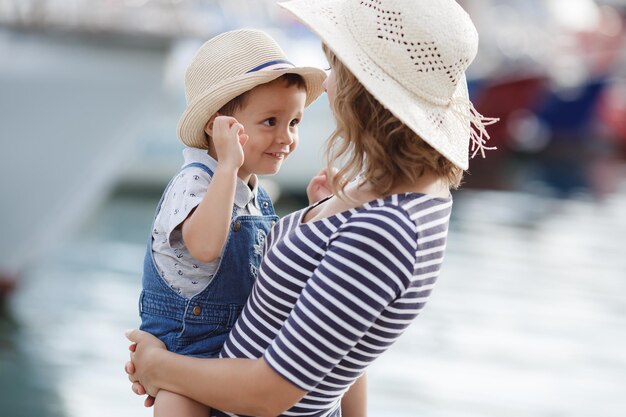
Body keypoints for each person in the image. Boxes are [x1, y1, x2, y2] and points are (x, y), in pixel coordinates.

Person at [126, 1, 498, 416]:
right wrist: (321, 215)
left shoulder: (387, 230)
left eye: (336, 66)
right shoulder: (381, 195)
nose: (329, 84)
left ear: (363, 89)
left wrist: (160, 366)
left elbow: (268, 394)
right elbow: (341, 341)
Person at [137, 28, 326, 417]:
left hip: (234, 351)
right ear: (217, 125)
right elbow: (206, 246)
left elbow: (275, 267)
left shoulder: (255, 193)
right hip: (182, 349)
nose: (287, 138)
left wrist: (316, 212)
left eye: (294, 122)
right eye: (270, 121)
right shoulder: (195, 183)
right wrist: (227, 164)